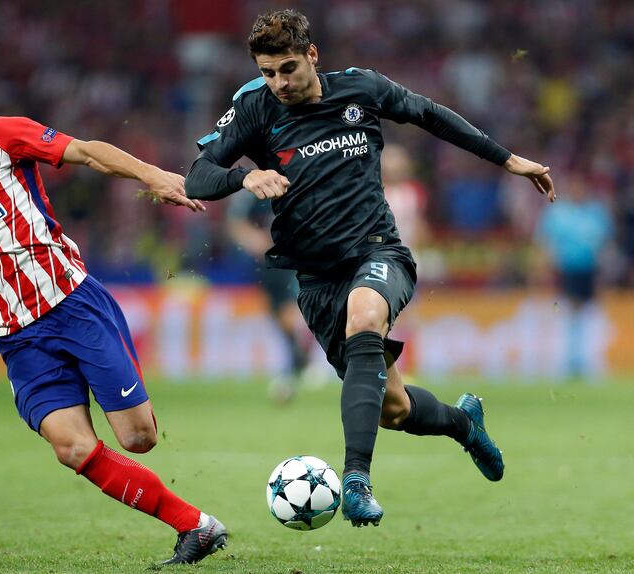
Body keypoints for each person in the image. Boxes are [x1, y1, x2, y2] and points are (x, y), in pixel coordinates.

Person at [185, 9, 555, 527]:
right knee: (395, 408)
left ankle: (355, 480)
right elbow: (197, 176)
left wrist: (508, 159)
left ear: (313, 55)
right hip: (316, 280)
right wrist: (244, 179)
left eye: (288, 68)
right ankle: (463, 424)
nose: (279, 83)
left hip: (379, 253)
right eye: (268, 72)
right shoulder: (255, 110)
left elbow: (430, 114)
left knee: (364, 315)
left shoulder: (360, 89)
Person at [0, 66, 227, 565]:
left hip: (73, 304)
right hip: (20, 340)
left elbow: (85, 151)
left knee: (138, 438)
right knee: (72, 448)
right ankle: (196, 526)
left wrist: (156, 176)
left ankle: (127, 393)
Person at [226, 191, 310, 403]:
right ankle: (298, 355)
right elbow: (237, 224)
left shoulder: (302, 181)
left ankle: (298, 359)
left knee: (292, 306)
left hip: (297, 257)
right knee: (278, 311)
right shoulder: (255, 191)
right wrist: (258, 242)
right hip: (269, 263)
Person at [535, 171, 613, 379]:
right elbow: (546, 242)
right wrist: (546, 269)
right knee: (569, 313)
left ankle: (586, 360)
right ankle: (568, 360)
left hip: (590, 270)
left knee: (589, 315)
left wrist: (603, 272)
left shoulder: (596, 212)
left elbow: (604, 244)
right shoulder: (558, 213)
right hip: (566, 270)